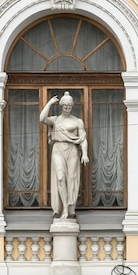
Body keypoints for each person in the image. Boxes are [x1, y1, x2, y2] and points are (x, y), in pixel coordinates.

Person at [40, 91, 89, 219]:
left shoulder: (78, 121)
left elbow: (83, 138)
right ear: (61, 106)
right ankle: (64, 209)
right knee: (60, 178)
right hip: (58, 149)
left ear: (72, 106)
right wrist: (50, 103)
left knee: (71, 178)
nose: (67, 109)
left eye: (69, 107)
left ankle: (70, 209)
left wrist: (85, 154)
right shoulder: (55, 120)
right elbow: (42, 118)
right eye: (65, 107)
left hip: (72, 149)